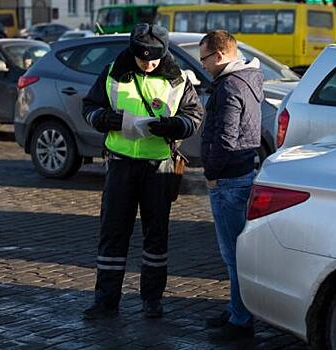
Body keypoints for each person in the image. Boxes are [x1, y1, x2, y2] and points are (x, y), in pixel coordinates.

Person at [81, 23, 203, 320]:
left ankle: (152, 299)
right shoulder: (112, 72)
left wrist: (175, 126)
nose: (148, 64)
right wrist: (106, 119)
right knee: (113, 235)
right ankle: (106, 301)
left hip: (158, 166)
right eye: (142, 59)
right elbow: (89, 107)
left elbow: (195, 116)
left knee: (156, 237)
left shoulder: (177, 79)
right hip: (121, 163)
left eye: (154, 60)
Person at [199, 30, 263, 340]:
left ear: (220, 55)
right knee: (236, 253)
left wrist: (211, 171)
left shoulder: (229, 86)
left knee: (232, 255)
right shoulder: (249, 78)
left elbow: (225, 137)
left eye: (205, 58)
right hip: (242, 173)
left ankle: (240, 320)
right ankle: (237, 309)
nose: (203, 65)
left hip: (229, 179)